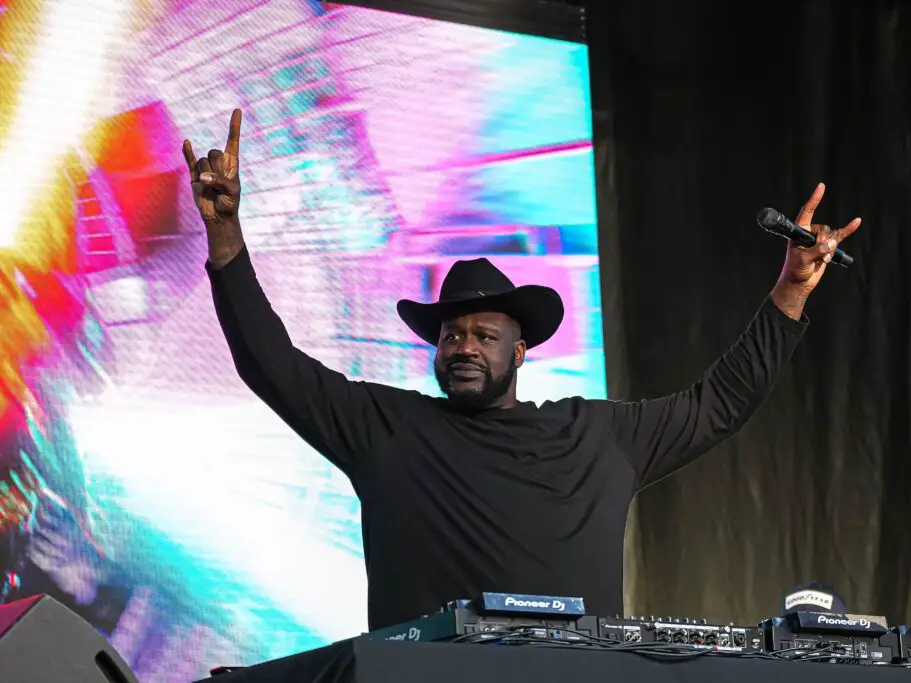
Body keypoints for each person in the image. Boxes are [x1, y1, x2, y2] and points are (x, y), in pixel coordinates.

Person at [182, 110, 862, 631]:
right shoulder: (386, 427)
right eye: (451, 334)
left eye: (483, 333)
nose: (464, 345)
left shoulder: (596, 435)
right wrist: (226, 237)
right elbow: (272, 366)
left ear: (521, 350)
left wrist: (792, 290)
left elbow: (719, 403)